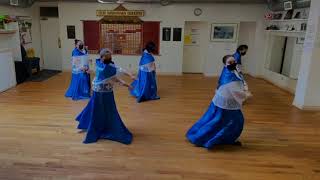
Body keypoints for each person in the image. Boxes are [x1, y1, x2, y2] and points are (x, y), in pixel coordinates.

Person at [186, 55, 250, 149]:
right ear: (225, 64)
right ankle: (200, 138)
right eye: (230, 62)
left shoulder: (231, 71)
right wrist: (247, 95)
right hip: (225, 104)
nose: (233, 64)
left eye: (234, 61)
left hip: (225, 101)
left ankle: (224, 138)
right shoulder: (229, 76)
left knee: (221, 121)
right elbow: (236, 92)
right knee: (222, 122)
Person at [76, 48, 133, 144]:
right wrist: (128, 82)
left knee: (95, 109)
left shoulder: (100, 64)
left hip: (97, 92)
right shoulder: (109, 69)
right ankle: (103, 126)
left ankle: (92, 126)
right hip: (104, 93)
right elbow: (117, 77)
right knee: (107, 110)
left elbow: (113, 72)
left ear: (102, 58)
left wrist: (87, 70)